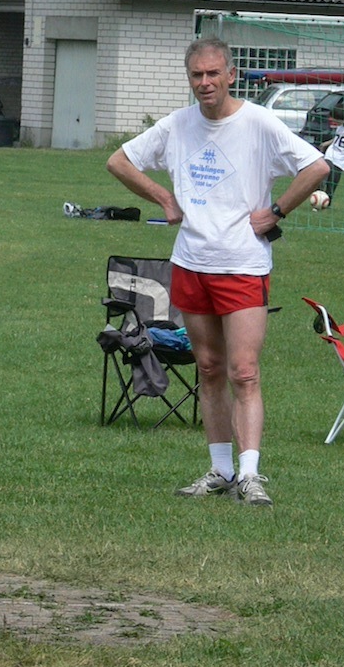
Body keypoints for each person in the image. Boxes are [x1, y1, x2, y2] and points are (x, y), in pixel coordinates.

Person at [107, 36, 329, 507]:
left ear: (231, 75)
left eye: (213, 73)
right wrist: (164, 198)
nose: (205, 82)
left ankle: (250, 475)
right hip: (191, 262)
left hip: (244, 265)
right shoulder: (177, 125)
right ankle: (221, 470)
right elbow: (118, 161)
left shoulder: (259, 123)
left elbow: (316, 167)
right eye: (196, 75)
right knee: (208, 368)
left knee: (243, 371)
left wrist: (276, 211)